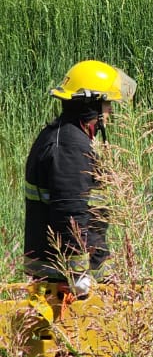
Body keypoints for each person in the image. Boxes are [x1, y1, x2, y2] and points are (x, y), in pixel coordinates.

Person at [24, 61, 135, 295]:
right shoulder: (69, 147)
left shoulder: (65, 137)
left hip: (63, 274)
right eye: (107, 104)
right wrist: (78, 274)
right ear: (91, 104)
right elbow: (70, 210)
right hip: (64, 281)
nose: (110, 111)